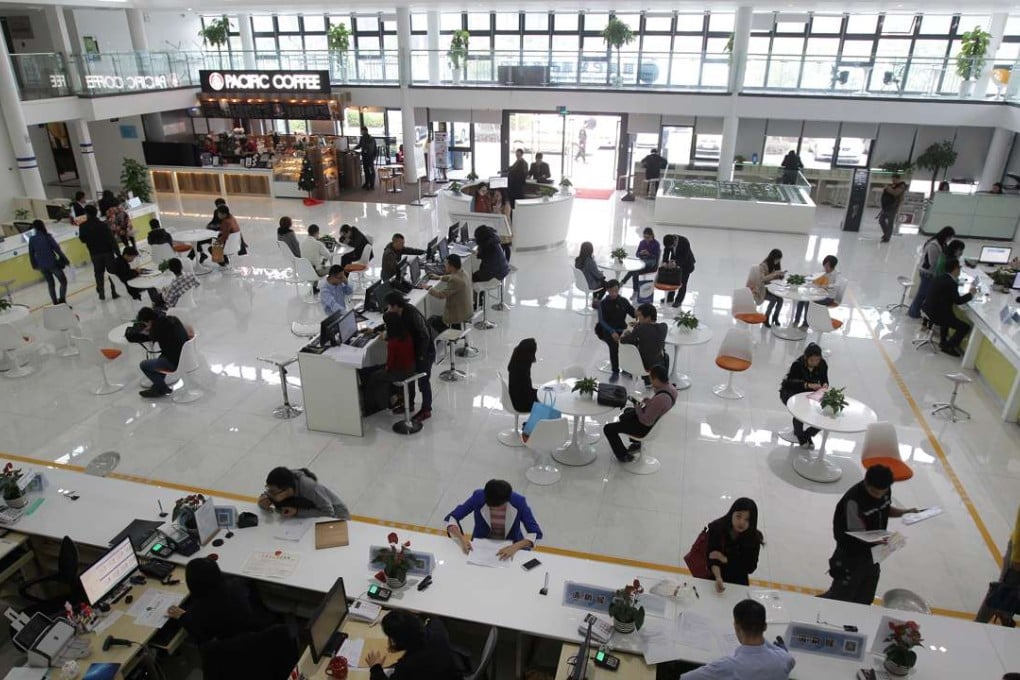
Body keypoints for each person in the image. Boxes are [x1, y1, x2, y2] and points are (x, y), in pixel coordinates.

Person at [819, 464, 919, 604]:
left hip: (873, 554)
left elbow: (884, 508)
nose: (878, 495)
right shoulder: (853, 501)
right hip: (851, 554)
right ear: (866, 482)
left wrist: (904, 512)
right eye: (873, 491)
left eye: (881, 492)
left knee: (865, 596)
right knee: (841, 597)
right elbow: (858, 534)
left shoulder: (884, 489)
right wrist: (884, 540)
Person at [166, 557, 274, 644]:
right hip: (257, 629)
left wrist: (182, 616)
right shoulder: (237, 586)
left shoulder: (199, 610)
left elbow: (202, 635)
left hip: (229, 643)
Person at [678, 600, 795, 680]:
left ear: (737, 627)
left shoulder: (727, 666)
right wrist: (777, 649)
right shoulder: (784, 659)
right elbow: (790, 661)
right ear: (765, 626)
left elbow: (686, 678)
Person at [444, 479, 542, 560]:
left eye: (499, 507)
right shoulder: (478, 497)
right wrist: (462, 539)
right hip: (481, 547)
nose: (495, 510)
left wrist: (515, 547)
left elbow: (535, 532)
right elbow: (452, 518)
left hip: (511, 546)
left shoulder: (518, 501)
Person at [602, 364, 677, 462]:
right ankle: (637, 444)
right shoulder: (671, 389)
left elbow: (646, 421)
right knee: (627, 412)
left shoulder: (660, 399)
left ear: (657, 380)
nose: (650, 381)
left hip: (645, 428)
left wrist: (637, 408)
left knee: (608, 428)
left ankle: (623, 455)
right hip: (655, 420)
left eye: (651, 379)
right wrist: (650, 402)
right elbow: (659, 406)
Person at [365, 610, 462, 680]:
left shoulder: (407, 667)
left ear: (397, 640)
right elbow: (432, 618)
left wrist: (375, 668)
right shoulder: (438, 629)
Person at [385, 292, 434, 422]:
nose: (388, 310)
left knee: (424, 382)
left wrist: (421, 356)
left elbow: (425, 336)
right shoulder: (400, 313)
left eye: (389, 307)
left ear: (396, 306)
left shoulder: (411, 314)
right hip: (415, 353)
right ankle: (409, 404)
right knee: (409, 377)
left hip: (425, 353)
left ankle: (426, 409)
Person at [704, 498, 765, 593]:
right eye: (738, 516)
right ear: (732, 513)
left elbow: (750, 567)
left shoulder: (753, 539)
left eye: (747, 519)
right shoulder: (717, 529)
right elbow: (712, 557)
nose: (741, 522)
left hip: (738, 582)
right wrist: (718, 577)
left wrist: (725, 559)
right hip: (715, 576)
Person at [923, 257, 976, 357]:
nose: (960, 270)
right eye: (959, 268)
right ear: (955, 269)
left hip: (928, 309)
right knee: (964, 327)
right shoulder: (951, 283)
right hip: (938, 314)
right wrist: (971, 294)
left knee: (948, 317)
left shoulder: (939, 277)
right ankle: (949, 346)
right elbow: (958, 301)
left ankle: (943, 341)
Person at [975, 505, 1020, 624]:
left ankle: (1006, 614)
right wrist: (1016, 558)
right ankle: (979, 623)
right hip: (1018, 554)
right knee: (1002, 590)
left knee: (1012, 591)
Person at [780, 343, 829, 448]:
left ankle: (807, 434)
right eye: (812, 360)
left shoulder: (822, 364)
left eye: (817, 360)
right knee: (800, 412)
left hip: (810, 393)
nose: (815, 363)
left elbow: (825, 379)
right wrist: (807, 384)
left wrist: (825, 384)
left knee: (825, 412)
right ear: (806, 357)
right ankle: (800, 436)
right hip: (792, 393)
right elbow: (788, 383)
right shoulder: (797, 365)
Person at [135, 307, 190, 398]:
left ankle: (163, 388)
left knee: (144, 365)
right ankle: (156, 388)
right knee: (162, 357)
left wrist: (148, 329)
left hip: (174, 361)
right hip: (186, 355)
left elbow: (151, 338)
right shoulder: (173, 319)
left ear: (149, 321)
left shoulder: (156, 328)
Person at [257, 467, 350, 519]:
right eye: (268, 490)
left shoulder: (310, 488)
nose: (270, 494)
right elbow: (270, 492)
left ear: (288, 490)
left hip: (337, 514)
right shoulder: (283, 483)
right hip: (306, 514)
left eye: (273, 492)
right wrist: (263, 499)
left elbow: (329, 513)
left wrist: (298, 512)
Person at [370, 312, 417, 414]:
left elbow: (390, 365)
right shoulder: (407, 334)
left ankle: (388, 402)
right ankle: (400, 397)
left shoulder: (393, 343)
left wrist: (385, 369)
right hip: (412, 367)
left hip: (401, 372)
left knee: (374, 376)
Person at [907, 226, 956, 319]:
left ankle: (914, 311)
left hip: (931, 273)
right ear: (945, 235)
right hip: (927, 273)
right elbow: (933, 262)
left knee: (924, 294)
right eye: (949, 237)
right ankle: (913, 312)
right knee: (922, 294)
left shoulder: (942, 244)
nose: (949, 240)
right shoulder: (933, 245)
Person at [78, 204, 122, 301]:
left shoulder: (83, 226)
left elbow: (82, 239)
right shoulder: (103, 224)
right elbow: (111, 239)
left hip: (94, 253)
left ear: (86, 214)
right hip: (107, 252)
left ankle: (101, 293)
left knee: (98, 273)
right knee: (112, 272)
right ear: (96, 213)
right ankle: (114, 292)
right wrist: (117, 252)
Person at [425, 254, 472, 335]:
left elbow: (440, 295)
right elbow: (452, 277)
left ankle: (450, 335)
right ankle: (455, 332)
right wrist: (440, 277)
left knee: (431, 320)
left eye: (446, 264)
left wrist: (428, 287)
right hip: (466, 310)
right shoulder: (463, 272)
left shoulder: (455, 280)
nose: (445, 266)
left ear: (451, 266)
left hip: (458, 314)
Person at [595, 279, 635, 376]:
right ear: (608, 290)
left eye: (616, 291)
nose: (614, 293)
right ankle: (615, 370)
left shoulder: (623, 301)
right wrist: (612, 332)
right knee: (614, 347)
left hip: (622, 329)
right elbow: (601, 321)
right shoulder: (603, 304)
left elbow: (633, 312)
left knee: (630, 345)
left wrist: (639, 316)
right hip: (608, 330)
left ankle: (627, 368)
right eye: (612, 291)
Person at [619, 303, 669, 380]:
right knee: (664, 354)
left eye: (640, 316)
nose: (638, 319)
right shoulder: (664, 327)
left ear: (648, 317)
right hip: (659, 363)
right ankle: (653, 380)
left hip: (642, 364)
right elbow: (650, 329)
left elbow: (623, 340)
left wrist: (628, 332)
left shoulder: (640, 329)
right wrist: (640, 324)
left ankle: (628, 372)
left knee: (633, 345)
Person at [792, 255, 842, 327]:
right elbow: (815, 276)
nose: (825, 268)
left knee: (808, 302)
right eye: (824, 266)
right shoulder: (824, 270)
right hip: (819, 294)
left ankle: (806, 324)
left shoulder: (837, 274)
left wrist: (827, 286)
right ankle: (796, 320)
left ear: (833, 266)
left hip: (829, 298)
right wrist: (806, 276)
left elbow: (837, 285)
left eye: (827, 266)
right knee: (802, 300)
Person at [28, 221, 69, 306]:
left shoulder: (32, 239)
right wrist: (65, 259)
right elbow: (57, 249)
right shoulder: (47, 236)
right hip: (52, 263)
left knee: (50, 284)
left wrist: (34, 265)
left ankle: (55, 302)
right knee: (63, 281)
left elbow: (31, 254)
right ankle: (62, 301)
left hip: (42, 266)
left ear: (34, 228)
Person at [471, 225, 509, 307]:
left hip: (494, 273)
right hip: (502, 270)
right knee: (477, 273)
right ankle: (480, 299)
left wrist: (477, 253)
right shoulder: (494, 240)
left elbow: (481, 256)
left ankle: (476, 303)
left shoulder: (487, 245)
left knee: (471, 278)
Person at [748, 249, 786, 327]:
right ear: (772, 258)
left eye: (779, 260)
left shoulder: (776, 265)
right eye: (777, 259)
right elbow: (762, 279)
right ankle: (766, 317)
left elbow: (776, 280)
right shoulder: (763, 266)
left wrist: (780, 275)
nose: (778, 261)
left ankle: (775, 317)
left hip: (771, 288)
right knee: (774, 299)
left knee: (780, 299)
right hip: (761, 290)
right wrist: (774, 274)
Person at [620, 227, 661, 297]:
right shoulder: (642, 242)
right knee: (634, 272)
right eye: (644, 237)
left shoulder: (656, 244)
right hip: (642, 260)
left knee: (635, 269)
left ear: (651, 235)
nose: (646, 239)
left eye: (647, 237)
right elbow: (637, 254)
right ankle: (635, 291)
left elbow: (656, 257)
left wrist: (649, 254)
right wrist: (641, 253)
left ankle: (622, 282)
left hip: (651, 262)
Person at [507, 338, 538, 413]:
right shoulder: (523, 367)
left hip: (514, 397)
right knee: (548, 398)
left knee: (545, 393)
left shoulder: (515, 361)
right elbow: (526, 390)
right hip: (522, 404)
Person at [668, 235, 696, 308]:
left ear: (674, 241)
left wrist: (675, 263)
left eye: (671, 246)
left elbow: (685, 257)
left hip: (687, 265)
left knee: (682, 283)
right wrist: (665, 261)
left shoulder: (684, 242)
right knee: (671, 280)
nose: (670, 248)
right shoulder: (669, 241)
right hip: (676, 263)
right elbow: (666, 252)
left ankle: (678, 301)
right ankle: (670, 298)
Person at [878, 173, 908, 242]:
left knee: (890, 222)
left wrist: (887, 188)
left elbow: (895, 193)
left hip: (893, 207)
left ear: (898, 179)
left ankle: (887, 237)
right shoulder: (893, 185)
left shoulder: (901, 186)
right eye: (892, 179)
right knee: (881, 220)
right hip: (886, 207)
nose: (893, 180)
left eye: (894, 179)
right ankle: (886, 234)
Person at [354, 125, 377, 190]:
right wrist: (354, 148)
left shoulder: (367, 138)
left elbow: (365, 146)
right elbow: (360, 145)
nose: (361, 132)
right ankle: (368, 183)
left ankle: (370, 184)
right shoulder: (368, 137)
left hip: (368, 156)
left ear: (364, 131)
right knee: (368, 170)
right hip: (368, 156)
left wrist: (354, 148)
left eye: (361, 131)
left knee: (369, 170)